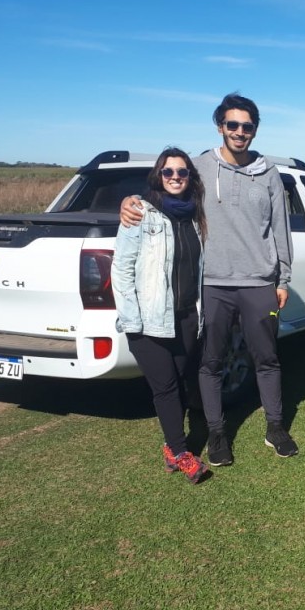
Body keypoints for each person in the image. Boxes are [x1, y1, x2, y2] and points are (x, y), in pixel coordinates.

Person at [120, 93, 298, 466]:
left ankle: (276, 426)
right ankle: (217, 433)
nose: (239, 132)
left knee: (267, 359)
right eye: (232, 124)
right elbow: (164, 188)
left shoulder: (269, 174)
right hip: (213, 285)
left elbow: (281, 228)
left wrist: (283, 279)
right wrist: (129, 201)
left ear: (254, 131)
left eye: (247, 126)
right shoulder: (198, 166)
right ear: (220, 126)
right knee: (211, 363)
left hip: (259, 283)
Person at [112, 147, 209, 484]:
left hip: (184, 317)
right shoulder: (141, 213)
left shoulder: (196, 217)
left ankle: (171, 446)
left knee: (180, 383)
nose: (175, 178)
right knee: (165, 388)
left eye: (182, 173)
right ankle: (181, 453)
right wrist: (131, 320)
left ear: (190, 177)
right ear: (159, 176)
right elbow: (121, 269)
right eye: (168, 172)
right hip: (147, 321)